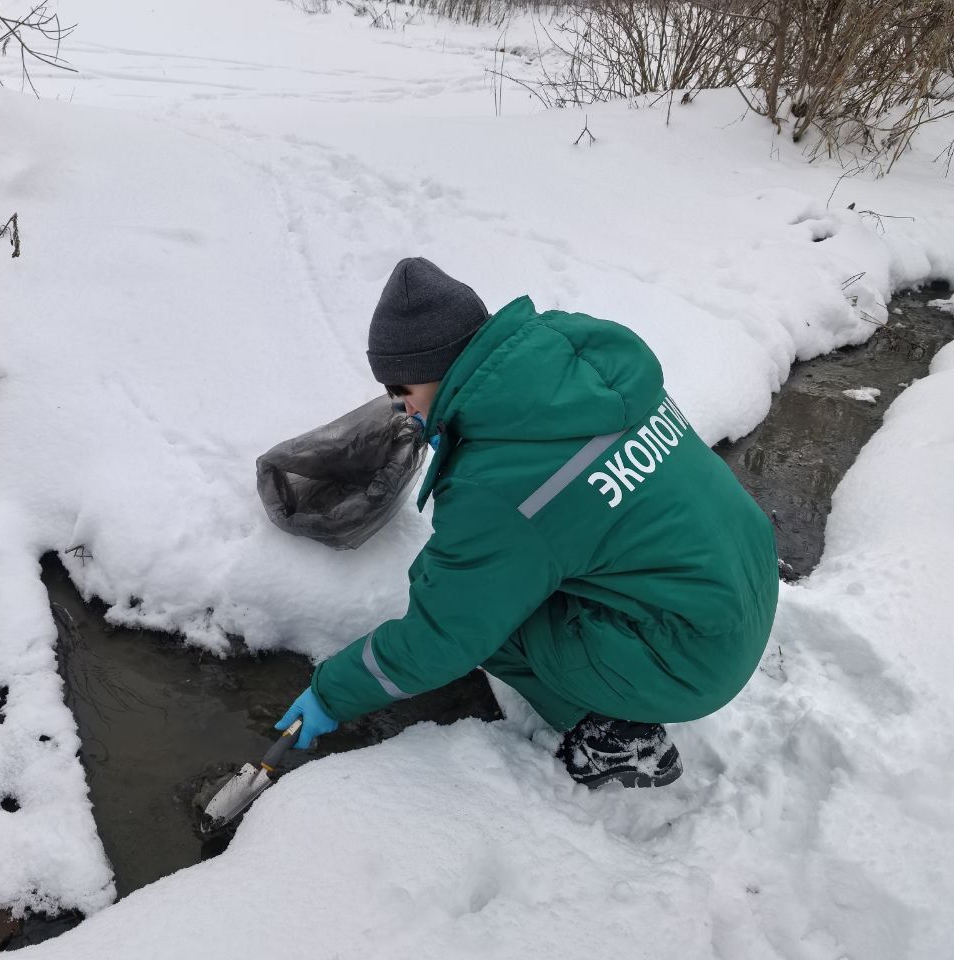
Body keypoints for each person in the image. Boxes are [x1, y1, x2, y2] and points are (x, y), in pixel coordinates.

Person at [276, 257, 779, 788]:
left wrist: (333, 692)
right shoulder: (574, 369)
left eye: (402, 392)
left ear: (438, 370)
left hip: (691, 660)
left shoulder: (496, 483)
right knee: (471, 578)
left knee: (485, 620)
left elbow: (444, 636)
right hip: (746, 583)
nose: (401, 411)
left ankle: (612, 735)